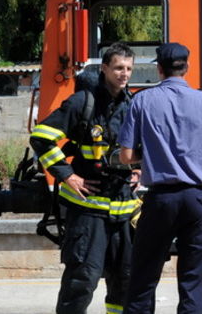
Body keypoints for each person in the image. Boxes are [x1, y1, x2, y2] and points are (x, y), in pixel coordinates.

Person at [118, 42, 202, 314]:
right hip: (199, 199)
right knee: (193, 280)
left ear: (159, 69)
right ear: (187, 67)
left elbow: (125, 155)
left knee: (144, 276)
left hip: (160, 199)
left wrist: (154, 156)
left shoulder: (142, 100)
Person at [29, 43, 139, 314]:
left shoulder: (134, 104)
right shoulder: (83, 102)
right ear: (104, 69)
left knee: (125, 281)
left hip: (124, 211)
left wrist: (139, 169)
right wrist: (68, 176)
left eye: (128, 69)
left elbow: (142, 146)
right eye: (118, 68)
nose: (124, 74)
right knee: (82, 280)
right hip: (88, 212)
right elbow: (41, 137)